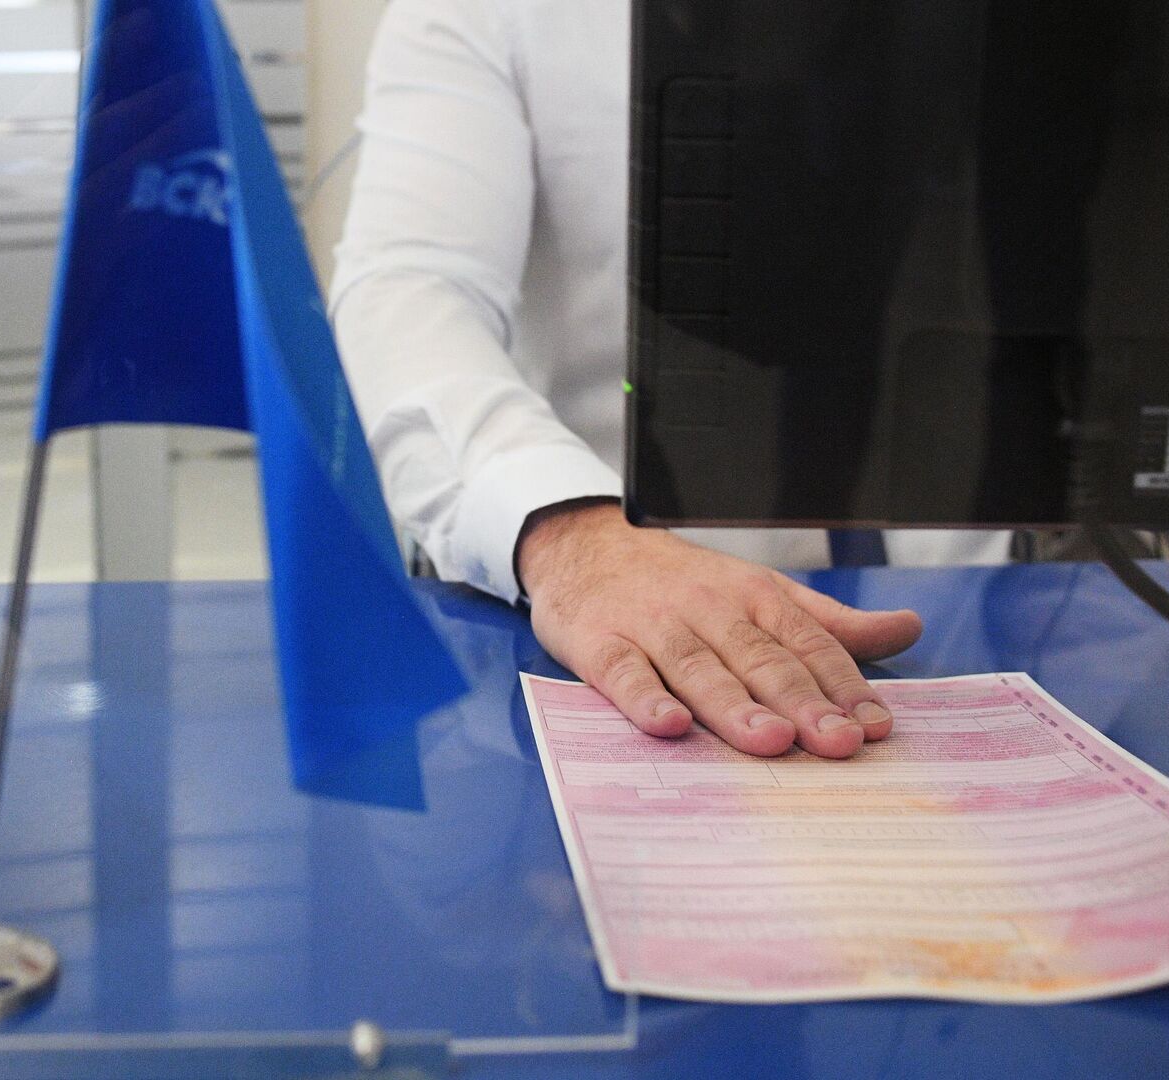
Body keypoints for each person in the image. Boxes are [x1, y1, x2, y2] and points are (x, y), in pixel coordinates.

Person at [329, 0, 1010, 760]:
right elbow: (411, 289)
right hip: (621, 622)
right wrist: (572, 537)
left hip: (970, 607)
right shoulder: (494, 15)